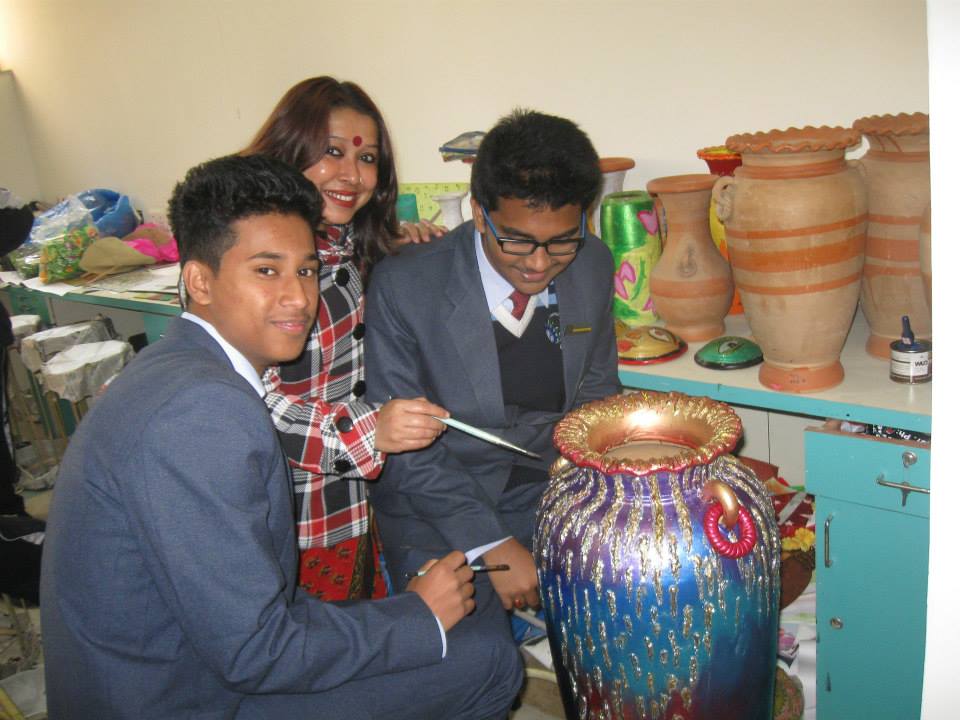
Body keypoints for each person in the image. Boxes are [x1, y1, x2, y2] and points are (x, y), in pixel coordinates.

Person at [40, 154, 522, 720]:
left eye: (307, 271)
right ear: (199, 281)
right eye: (266, 271)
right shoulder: (200, 412)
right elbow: (256, 653)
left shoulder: (180, 366)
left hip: (193, 660)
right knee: (487, 659)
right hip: (180, 697)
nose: (298, 297)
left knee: (451, 626)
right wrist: (417, 615)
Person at [364, 110, 622, 647]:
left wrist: (591, 496)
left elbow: (597, 397)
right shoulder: (407, 285)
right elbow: (408, 453)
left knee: (643, 600)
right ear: (480, 214)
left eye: (562, 241)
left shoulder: (592, 263)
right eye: (518, 241)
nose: (539, 264)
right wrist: (489, 542)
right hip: (438, 504)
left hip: (550, 487)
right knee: (478, 661)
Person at [241, 77, 447, 601]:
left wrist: (401, 243)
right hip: (282, 514)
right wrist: (369, 432)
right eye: (332, 152)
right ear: (289, 150)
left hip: (356, 509)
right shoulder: (252, 267)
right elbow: (244, 401)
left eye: (367, 158)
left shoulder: (354, 250)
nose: (352, 175)